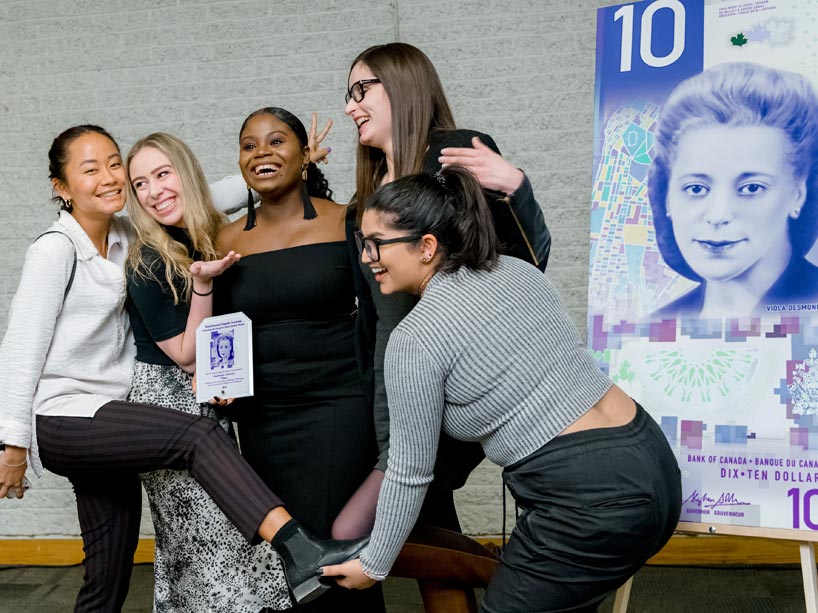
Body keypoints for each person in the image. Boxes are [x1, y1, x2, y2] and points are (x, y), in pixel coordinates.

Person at [0, 125, 368, 613]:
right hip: (66, 414)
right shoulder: (55, 250)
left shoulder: (125, 231)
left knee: (108, 569)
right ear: (61, 187)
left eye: (115, 165)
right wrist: (12, 444)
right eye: (91, 169)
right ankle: (300, 548)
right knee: (198, 439)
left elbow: (198, 193)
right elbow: (20, 348)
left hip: (110, 409)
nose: (110, 178)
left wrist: (283, 167)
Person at [322, 165, 682, 612]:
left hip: (587, 500)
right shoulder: (516, 270)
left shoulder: (416, 338)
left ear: (427, 246)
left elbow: (409, 471)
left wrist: (375, 565)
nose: (366, 257)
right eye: (362, 242)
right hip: (653, 463)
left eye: (377, 243)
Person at [333, 41, 553, 541]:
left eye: (361, 89)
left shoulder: (457, 153)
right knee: (426, 518)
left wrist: (517, 188)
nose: (350, 106)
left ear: (404, 86)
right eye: (348, 94)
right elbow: (374, 317)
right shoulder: (361, 207)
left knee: (388, 517)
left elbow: (525, 268)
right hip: (397, 383)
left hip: (468, 376)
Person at [215, 107, 384, 612]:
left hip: (340, 404)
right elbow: (222, 328)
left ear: (304, 153)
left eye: (276, 141)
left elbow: (380, 317)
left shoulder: (347, 220)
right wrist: (220, 383)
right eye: (249, 145)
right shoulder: (225, 239)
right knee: (287, 554)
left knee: (337, 546)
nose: (262, 153)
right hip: (265, 415)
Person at [125, 132, 288, 611]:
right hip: (167, 405)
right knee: (205, 547)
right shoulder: (146, 259)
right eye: (140, 184)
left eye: (162, 174)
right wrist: (201, 285)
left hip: (205, 400)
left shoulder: (204, 235)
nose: (154, 191)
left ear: (186, 174)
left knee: (223, 545)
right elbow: (186, 354)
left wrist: (294, 163)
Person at [649, 62, 818, 318]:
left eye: (751, 188)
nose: (718, 215)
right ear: (668, 198)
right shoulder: (648, 331)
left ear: (798, 193)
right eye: (696, 188)